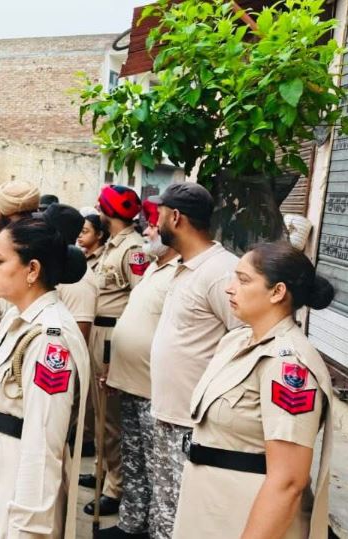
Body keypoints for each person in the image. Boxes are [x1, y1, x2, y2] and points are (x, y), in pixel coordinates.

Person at [173, 241, 335, 538]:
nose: (229, 288)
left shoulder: (288, 366)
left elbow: (288, 482)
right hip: (210, 507)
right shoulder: (235, 341)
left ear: (277, 292)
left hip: (245, 517)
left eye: (243, 280)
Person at [0, 208, 91, 539]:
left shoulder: (49, 338)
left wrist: (30, 525)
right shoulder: (19, 318)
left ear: (32, 269)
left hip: (10, 477)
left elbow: (44, 439)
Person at [148, 182, 240, 538]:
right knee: (165, 510)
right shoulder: (186, 266)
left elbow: (244, 341)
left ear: (176, 217)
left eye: (159, 214)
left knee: (185, 517)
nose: (155, 223)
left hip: (193, 424)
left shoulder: (221, 273)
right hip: (168, 413)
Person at [98, 198, 178, 539]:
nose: (146, 231)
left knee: (158, 468)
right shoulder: (156, 267)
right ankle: (131, 523)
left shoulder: (180, 273)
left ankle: (154, 530)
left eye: (153, 226)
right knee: (133, 458)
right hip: (129, 380)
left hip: (153, 388)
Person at [82, 185, 147, 516]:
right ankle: (103, 471)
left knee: (111, 417)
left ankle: (115, 486)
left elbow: (139, 298)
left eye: (101, 208)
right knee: (99, 412)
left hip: (113, 335)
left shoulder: (133, 250)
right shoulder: (112, 246)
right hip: (99, 332)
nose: (98, 212)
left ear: (110, 212)